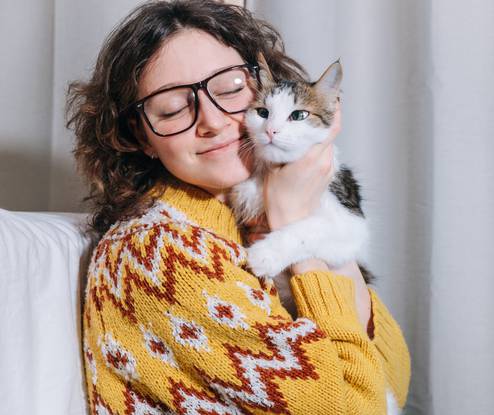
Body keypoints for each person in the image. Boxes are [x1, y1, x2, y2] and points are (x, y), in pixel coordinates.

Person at [67, 1, 410, 413]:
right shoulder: (155, 252)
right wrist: (293, 222)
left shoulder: (249, 209)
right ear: (142, 138)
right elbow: (359, 407)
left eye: (230, 89)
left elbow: (394, 373)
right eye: (173, 108)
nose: (211, 120)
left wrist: (303, 224)